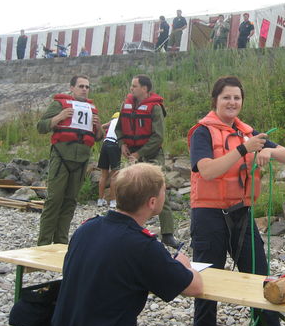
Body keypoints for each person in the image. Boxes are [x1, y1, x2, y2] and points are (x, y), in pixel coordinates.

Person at [188, 76, 285, 326]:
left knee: (261, 281)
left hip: (242, 214)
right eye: (227, 97)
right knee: (206, 284)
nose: (232, 103)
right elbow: (208, 172)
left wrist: (266, 150)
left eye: (237, 98)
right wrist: (243, 149)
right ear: (216, 100)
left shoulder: (249, 132)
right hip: (209, 215)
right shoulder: (202, 132)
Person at [51, 163, 210, 326]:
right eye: (164, 192)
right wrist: (184, 264)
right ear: (152, 202)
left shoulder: (86, 228)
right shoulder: (142, 245)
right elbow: (195, 287)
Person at [36, 76, 103, 245]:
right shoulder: (59, 104)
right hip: (61, 157)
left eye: (87, 87)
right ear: (71, 87)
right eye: (81, 86)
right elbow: (41, 127)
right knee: (54, 199)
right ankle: (43, 244)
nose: (84, 89)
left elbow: (98, 137)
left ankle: (61, 242)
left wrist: (98, 125)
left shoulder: (91, 109)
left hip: (81, 161)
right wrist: (59, 117)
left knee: (70, 201)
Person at [115, 74, 179, 249]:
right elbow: (119, 128)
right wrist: (122, 144)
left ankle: (167, 234)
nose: (131, 89)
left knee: (159, 192)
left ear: (145, 89)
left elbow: (158, 137)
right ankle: (131, 230)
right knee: (131, 192)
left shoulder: (155, 108)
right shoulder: (126, 104)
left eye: (134, 86)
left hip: (151, 154)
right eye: (131, 86)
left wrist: (139, 154)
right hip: (132, 155)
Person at [97, 112, 121, 208]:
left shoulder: (112, 122)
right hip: (114, 145)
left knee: (103, 175)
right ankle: (113, 201)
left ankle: (100, 200)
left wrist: (104, 135)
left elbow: (102, 126)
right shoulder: (121, 121)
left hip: (105, 144)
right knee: (114, 175)